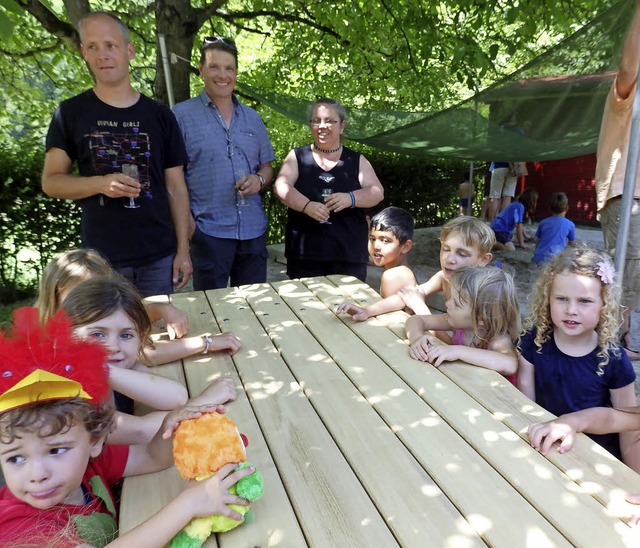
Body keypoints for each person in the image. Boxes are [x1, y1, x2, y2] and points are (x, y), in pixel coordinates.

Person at [0, 308, 253, 546]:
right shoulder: (19, 527)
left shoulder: (89, 464)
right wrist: (189, 503)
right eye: (16, 458)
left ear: (95, 441)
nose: (37, 474)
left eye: (55, 451)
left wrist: (171, 424)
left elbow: (151, 458)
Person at [41, 12, 192, 297]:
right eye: (93, 46)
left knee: (156, 335)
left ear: (129, 50)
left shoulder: (160, 116)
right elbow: (51, 182)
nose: (103, 55)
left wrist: (183, 249)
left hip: (158, 256)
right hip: (101, 261)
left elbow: (176, 187)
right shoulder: (70, 113)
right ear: (84, 52)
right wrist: (100, 183)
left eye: (110, 45)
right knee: (109, 339)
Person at [61, 276, 238, 443]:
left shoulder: (115, 368)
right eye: (98, 334)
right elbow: (142, 432)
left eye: (126, 335)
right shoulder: (69, 393)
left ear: (141, 337)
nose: (113, 347)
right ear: (66, 336)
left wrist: (104, 371)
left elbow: (176, 398)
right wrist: (205, 402)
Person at [516, 245, 640, 471]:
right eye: (561, 298)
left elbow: (629, 427)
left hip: (595, 462)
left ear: (604, 305)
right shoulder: (533, 341)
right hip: (543, 446)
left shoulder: (613, 358)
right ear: (547, 299)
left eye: (584, 301)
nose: (571, 310)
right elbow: (526, 407)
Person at [172, 37, 275, 290]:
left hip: (253, 230)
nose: (222, 75)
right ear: (201, 70)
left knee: (255, 309)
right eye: (214, 67)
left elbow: (267, 167)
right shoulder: (180, 115)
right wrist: (191, 229)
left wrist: (259, 180)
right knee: (212, 310)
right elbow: (172, 180)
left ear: (236, 73)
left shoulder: (252, 118)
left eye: (229, 68)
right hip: (208, 232)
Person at [36, 248, 241, 365]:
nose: (90, 304)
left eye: (98, 294)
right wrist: (205, 342)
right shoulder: (57, 341)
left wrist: (162, 309)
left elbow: (131, 316)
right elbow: (146, 355)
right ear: (53, 297)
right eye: (79, 296)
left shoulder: (61, 317)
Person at [273, 98, 384, 281]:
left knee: (347, 307)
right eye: (316, 120)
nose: (322, 126)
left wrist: (351, 198)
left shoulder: (356, 160)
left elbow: (377, 192)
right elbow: (281, 187)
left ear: (342, 126)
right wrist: (307, 206)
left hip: (348, 255)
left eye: (329, 121)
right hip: (305, 256)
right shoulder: (297, 156)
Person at [337, 216, 494, 321]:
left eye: (462, 254)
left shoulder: (480, 293)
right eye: (446, 249)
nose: (450, 259)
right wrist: (367, 311)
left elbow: (455, 343)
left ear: (483, 260)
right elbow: (408, 295)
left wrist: (420, 308)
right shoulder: (443, 278)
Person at [595, 0, 640, 359]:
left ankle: (622, 344)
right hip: (629, 200)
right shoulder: (628, 98)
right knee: (626, 281)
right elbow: (628, 66)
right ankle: (618, 345)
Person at [406, 266, 520, 384]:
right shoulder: (458, 323)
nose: (447, 303)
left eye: (456, 303)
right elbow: (416, 320)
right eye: (451, 298)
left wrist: (457, 351)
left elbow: (510, 364)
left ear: (480, 318)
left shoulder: (497, 338)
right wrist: (416, 339)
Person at [367, 206, 416, 298]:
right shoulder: (402, 270)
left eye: (385, 241)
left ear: (405, 247)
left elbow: (391, 313)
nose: (376, 246)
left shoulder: (393, 276)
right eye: (372, 239)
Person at [532, 192, 576, 265]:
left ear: (549, 208)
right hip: (554, 259)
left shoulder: (543, 222)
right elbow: (572, 243)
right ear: (567, 208)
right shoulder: (570, 225)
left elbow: (537, 241)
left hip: (539, 258)